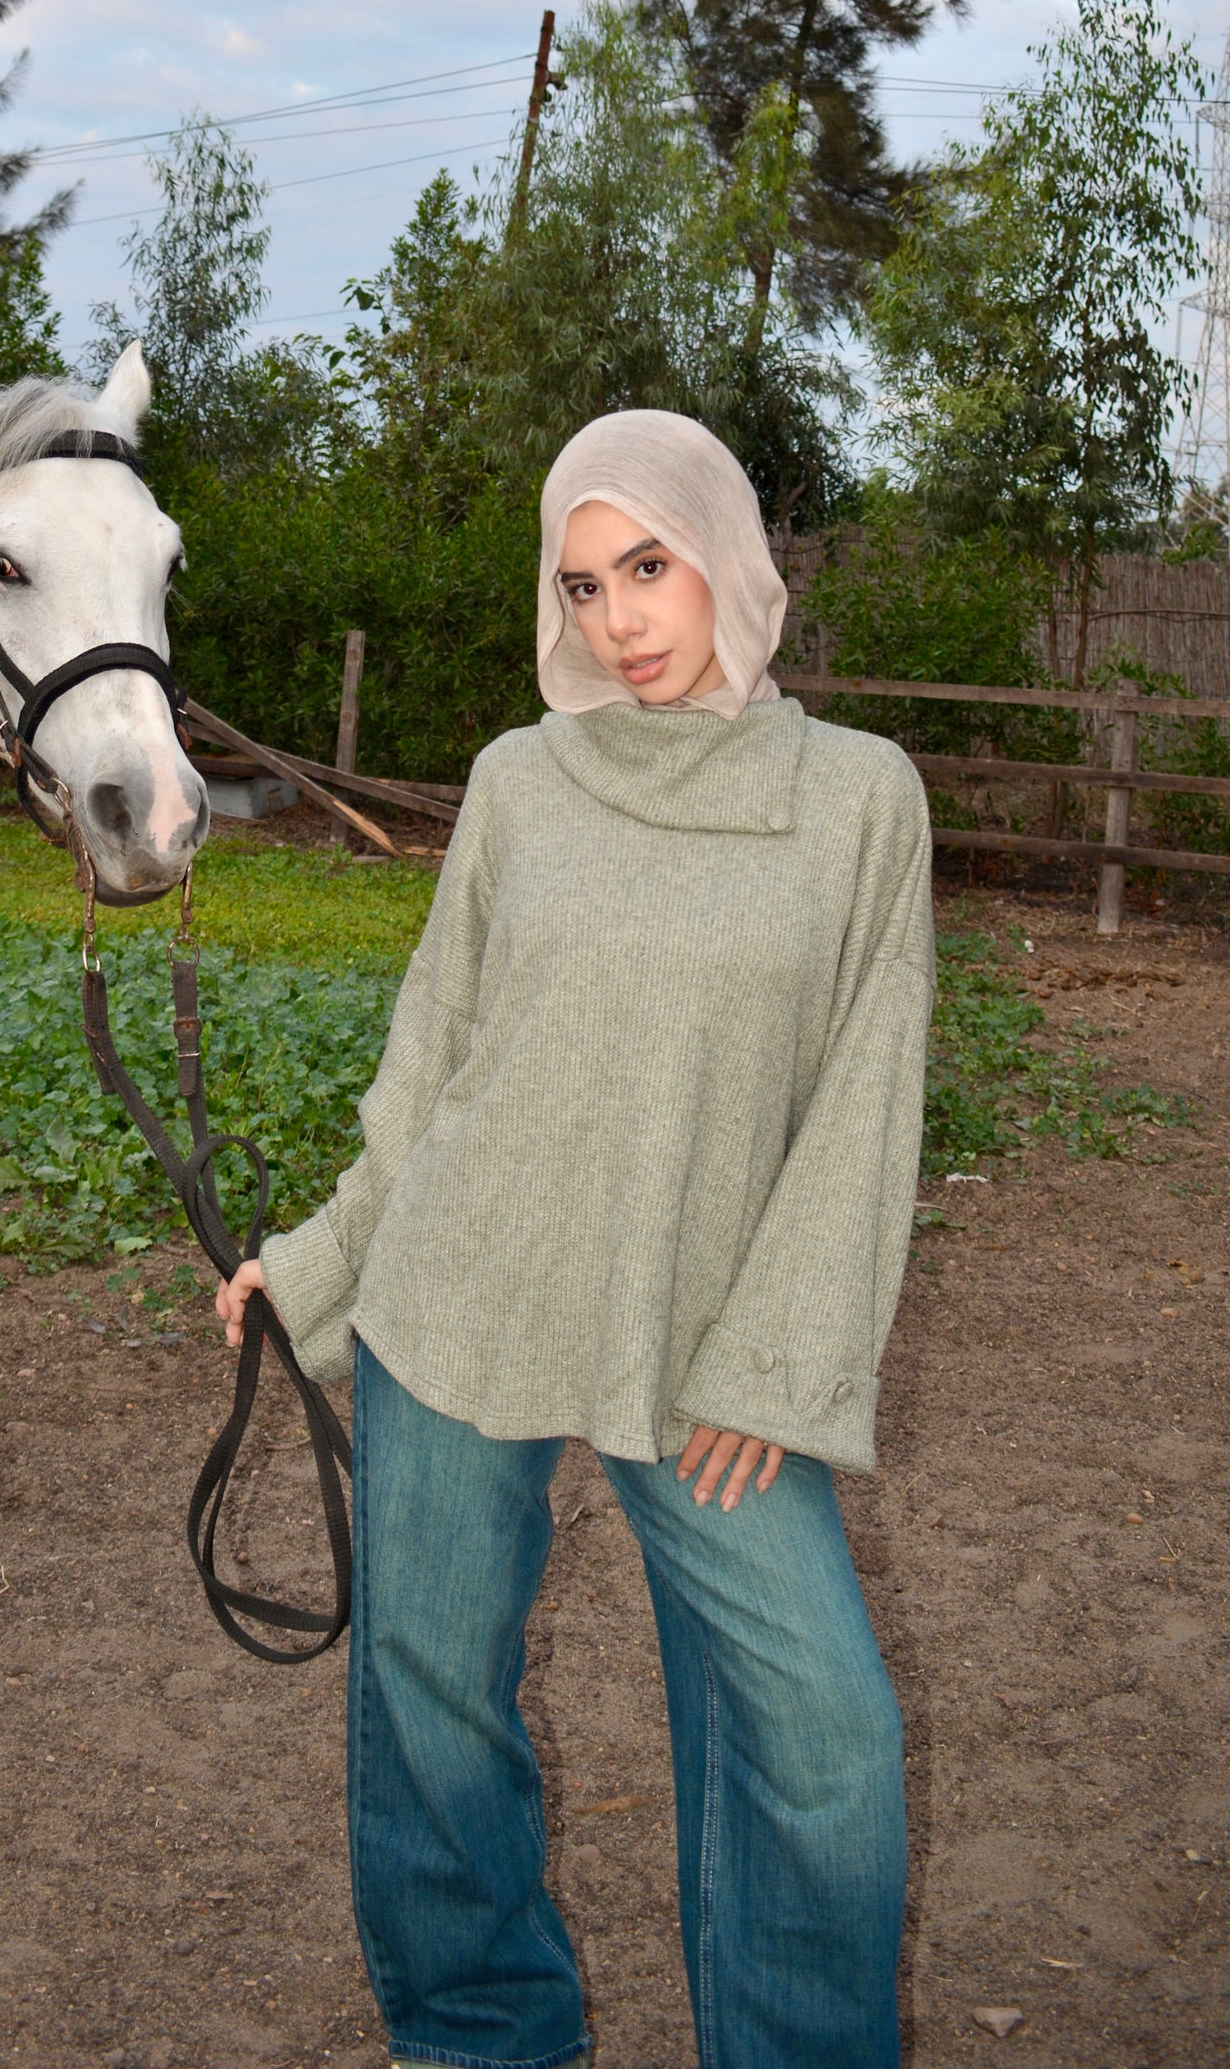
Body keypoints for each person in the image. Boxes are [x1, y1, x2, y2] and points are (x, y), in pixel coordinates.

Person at [217, 409, 933, 2069]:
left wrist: (773, 1363)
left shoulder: (855, 800)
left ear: (725, 558)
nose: (618, 620)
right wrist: (315, 1262)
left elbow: (863, 1102)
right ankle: (480, 2035)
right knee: (429, 1696)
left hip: (702, 1341)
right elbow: (438, 1062)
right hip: (461, 1295)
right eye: (582, 584)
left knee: (825, 1738)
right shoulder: (518, 783)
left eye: (648, 567)